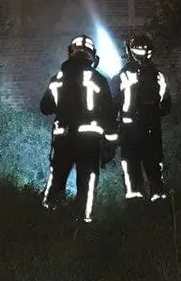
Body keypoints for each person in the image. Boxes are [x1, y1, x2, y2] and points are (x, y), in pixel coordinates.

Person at [39, 34, 119, 223]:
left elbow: (45, 107)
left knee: (57, 178)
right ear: (92, 56)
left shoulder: (58, 78)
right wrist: (111, 141)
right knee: (87, 182)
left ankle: (50, 216)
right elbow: (109, 113)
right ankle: (83, 220)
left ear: (70, 54)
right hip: (89, 140)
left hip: (62, 138)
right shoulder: (98, 79)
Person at [111, 33, 172, 203]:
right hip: (152, 130)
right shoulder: (158, 76)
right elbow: (166, 107)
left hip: (129, 132)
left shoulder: (121, 76)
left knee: (131, 168)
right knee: (154, 167)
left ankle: (135, 202)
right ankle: (159, 200)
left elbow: (113, 104)